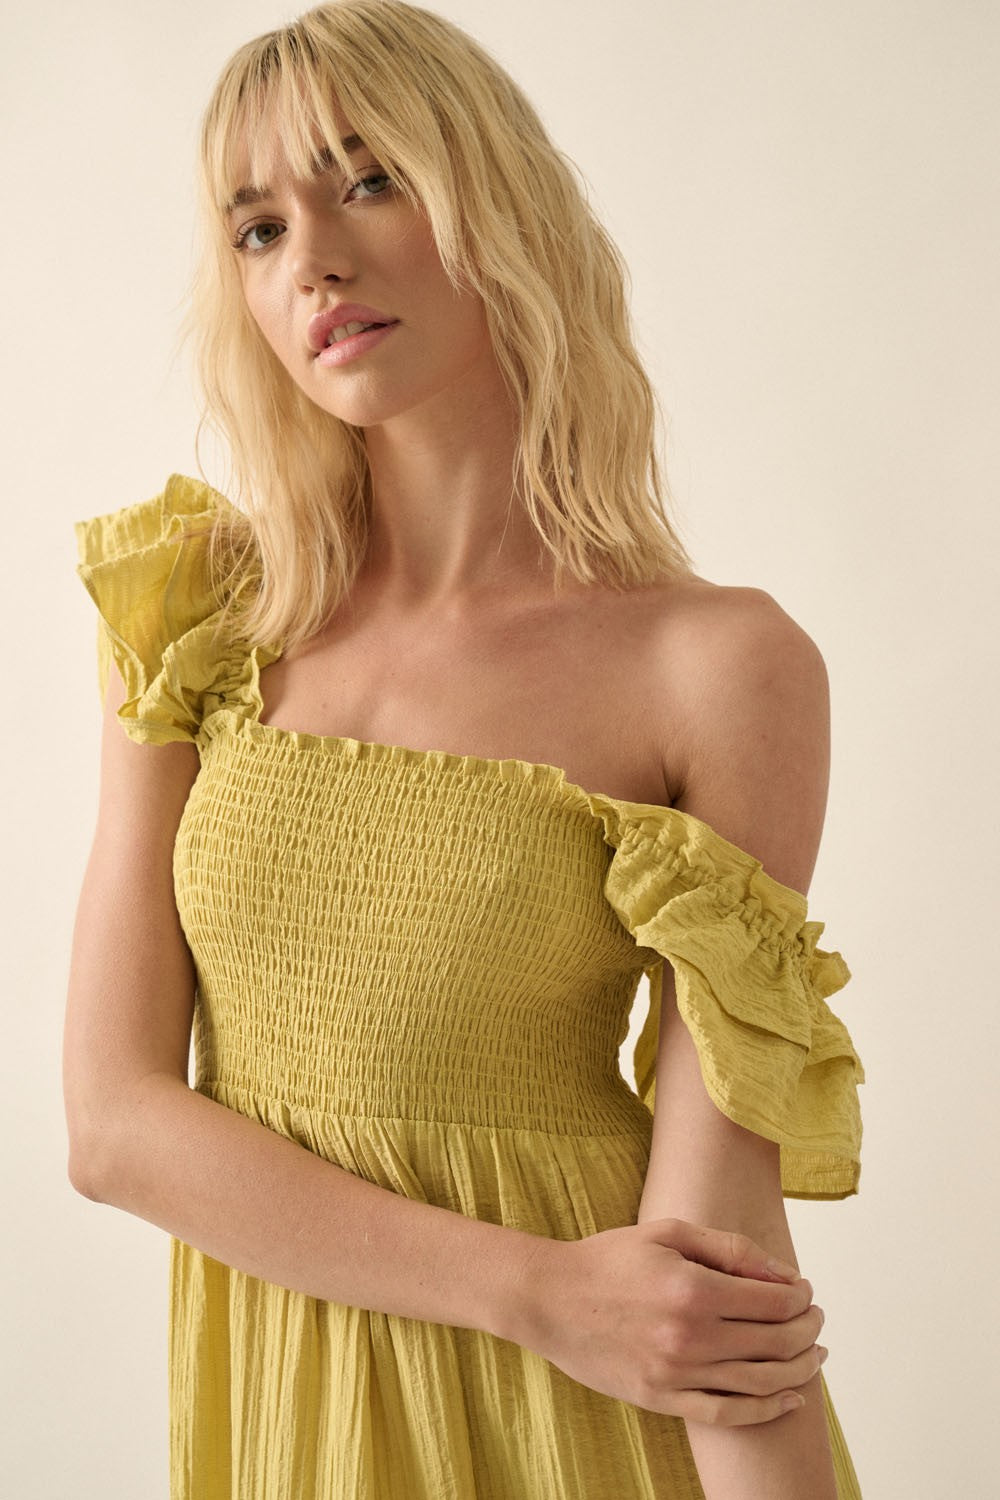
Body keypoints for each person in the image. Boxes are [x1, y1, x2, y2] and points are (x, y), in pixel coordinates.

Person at [64, 2, 864, 1496]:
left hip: (588, 1435)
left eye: (370, 180)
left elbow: (715, 1248)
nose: (312, 260)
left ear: (500, 203)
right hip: (306, 1422)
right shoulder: (191, 619)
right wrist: (538, 1292)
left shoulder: (717, 667)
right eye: (258, 229)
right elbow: (112, 1127)